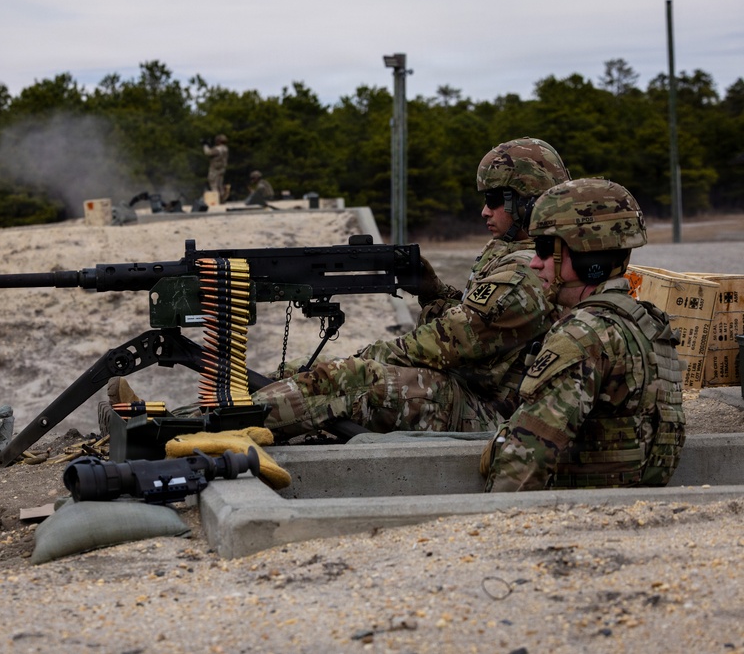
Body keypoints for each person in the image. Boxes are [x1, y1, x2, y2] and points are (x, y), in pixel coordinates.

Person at [249, 137, 570, 441]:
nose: (485, 211)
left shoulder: (527, 270)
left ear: (527, 200)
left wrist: (360, 358)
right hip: (467, 390)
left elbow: (451, 340)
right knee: (300, 370)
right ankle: (229, 413)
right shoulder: (508, 251)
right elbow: (485, 327)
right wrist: (434, 292)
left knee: (350, 379)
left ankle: (225, 428)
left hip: (492, 412)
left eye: (494, 199)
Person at [484, 178, 685, 491]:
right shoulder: (648, 325)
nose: (535, 263)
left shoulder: (583, 334)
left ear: (586, 257)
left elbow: (524, 461)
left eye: (544, 249)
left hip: (578, 510)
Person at [204, 135, 229, 202]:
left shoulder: (218, 149)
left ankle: (216, 199)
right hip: (222, 168)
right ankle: (222, 198)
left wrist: (205, 145)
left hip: (215, 168)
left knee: (213, 184)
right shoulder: (225, 148)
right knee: (219, 184)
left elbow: (208, 153)